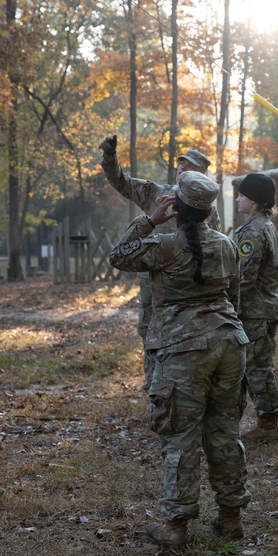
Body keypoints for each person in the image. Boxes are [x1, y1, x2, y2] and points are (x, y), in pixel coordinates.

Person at [107, 171, 250, 549]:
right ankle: (231, 516)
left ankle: (177, 525)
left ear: (176, 208)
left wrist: (149, 220)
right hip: (230, 343)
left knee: (181, 437)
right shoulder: (227, 244)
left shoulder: (164, 245)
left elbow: (118, 255)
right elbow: (234, 294)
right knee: (224, 433)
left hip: (186, 350)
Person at [99, 137, 216, 388]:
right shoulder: (158, 193)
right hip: (153, 276)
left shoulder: (206, 207)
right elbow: (123, 183)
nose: (183, 169)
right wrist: (110, 158)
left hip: (184, 278)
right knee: (148, 326)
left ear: (201, 175)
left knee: (183, 329)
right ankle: (153, 380)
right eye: (181, 164)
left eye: (191, 167)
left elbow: (209, 245)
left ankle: (179, 378)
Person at [233, 173, 278, 442]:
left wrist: (226, 306)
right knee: (254, 365)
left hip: (255, 310)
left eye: (242, 195)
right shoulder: (264, 226)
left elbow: (242, 278)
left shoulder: (253, 231)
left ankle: (268, 425)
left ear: (253, 200)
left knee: (257, 367)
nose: (237, 198)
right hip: (263, 308)